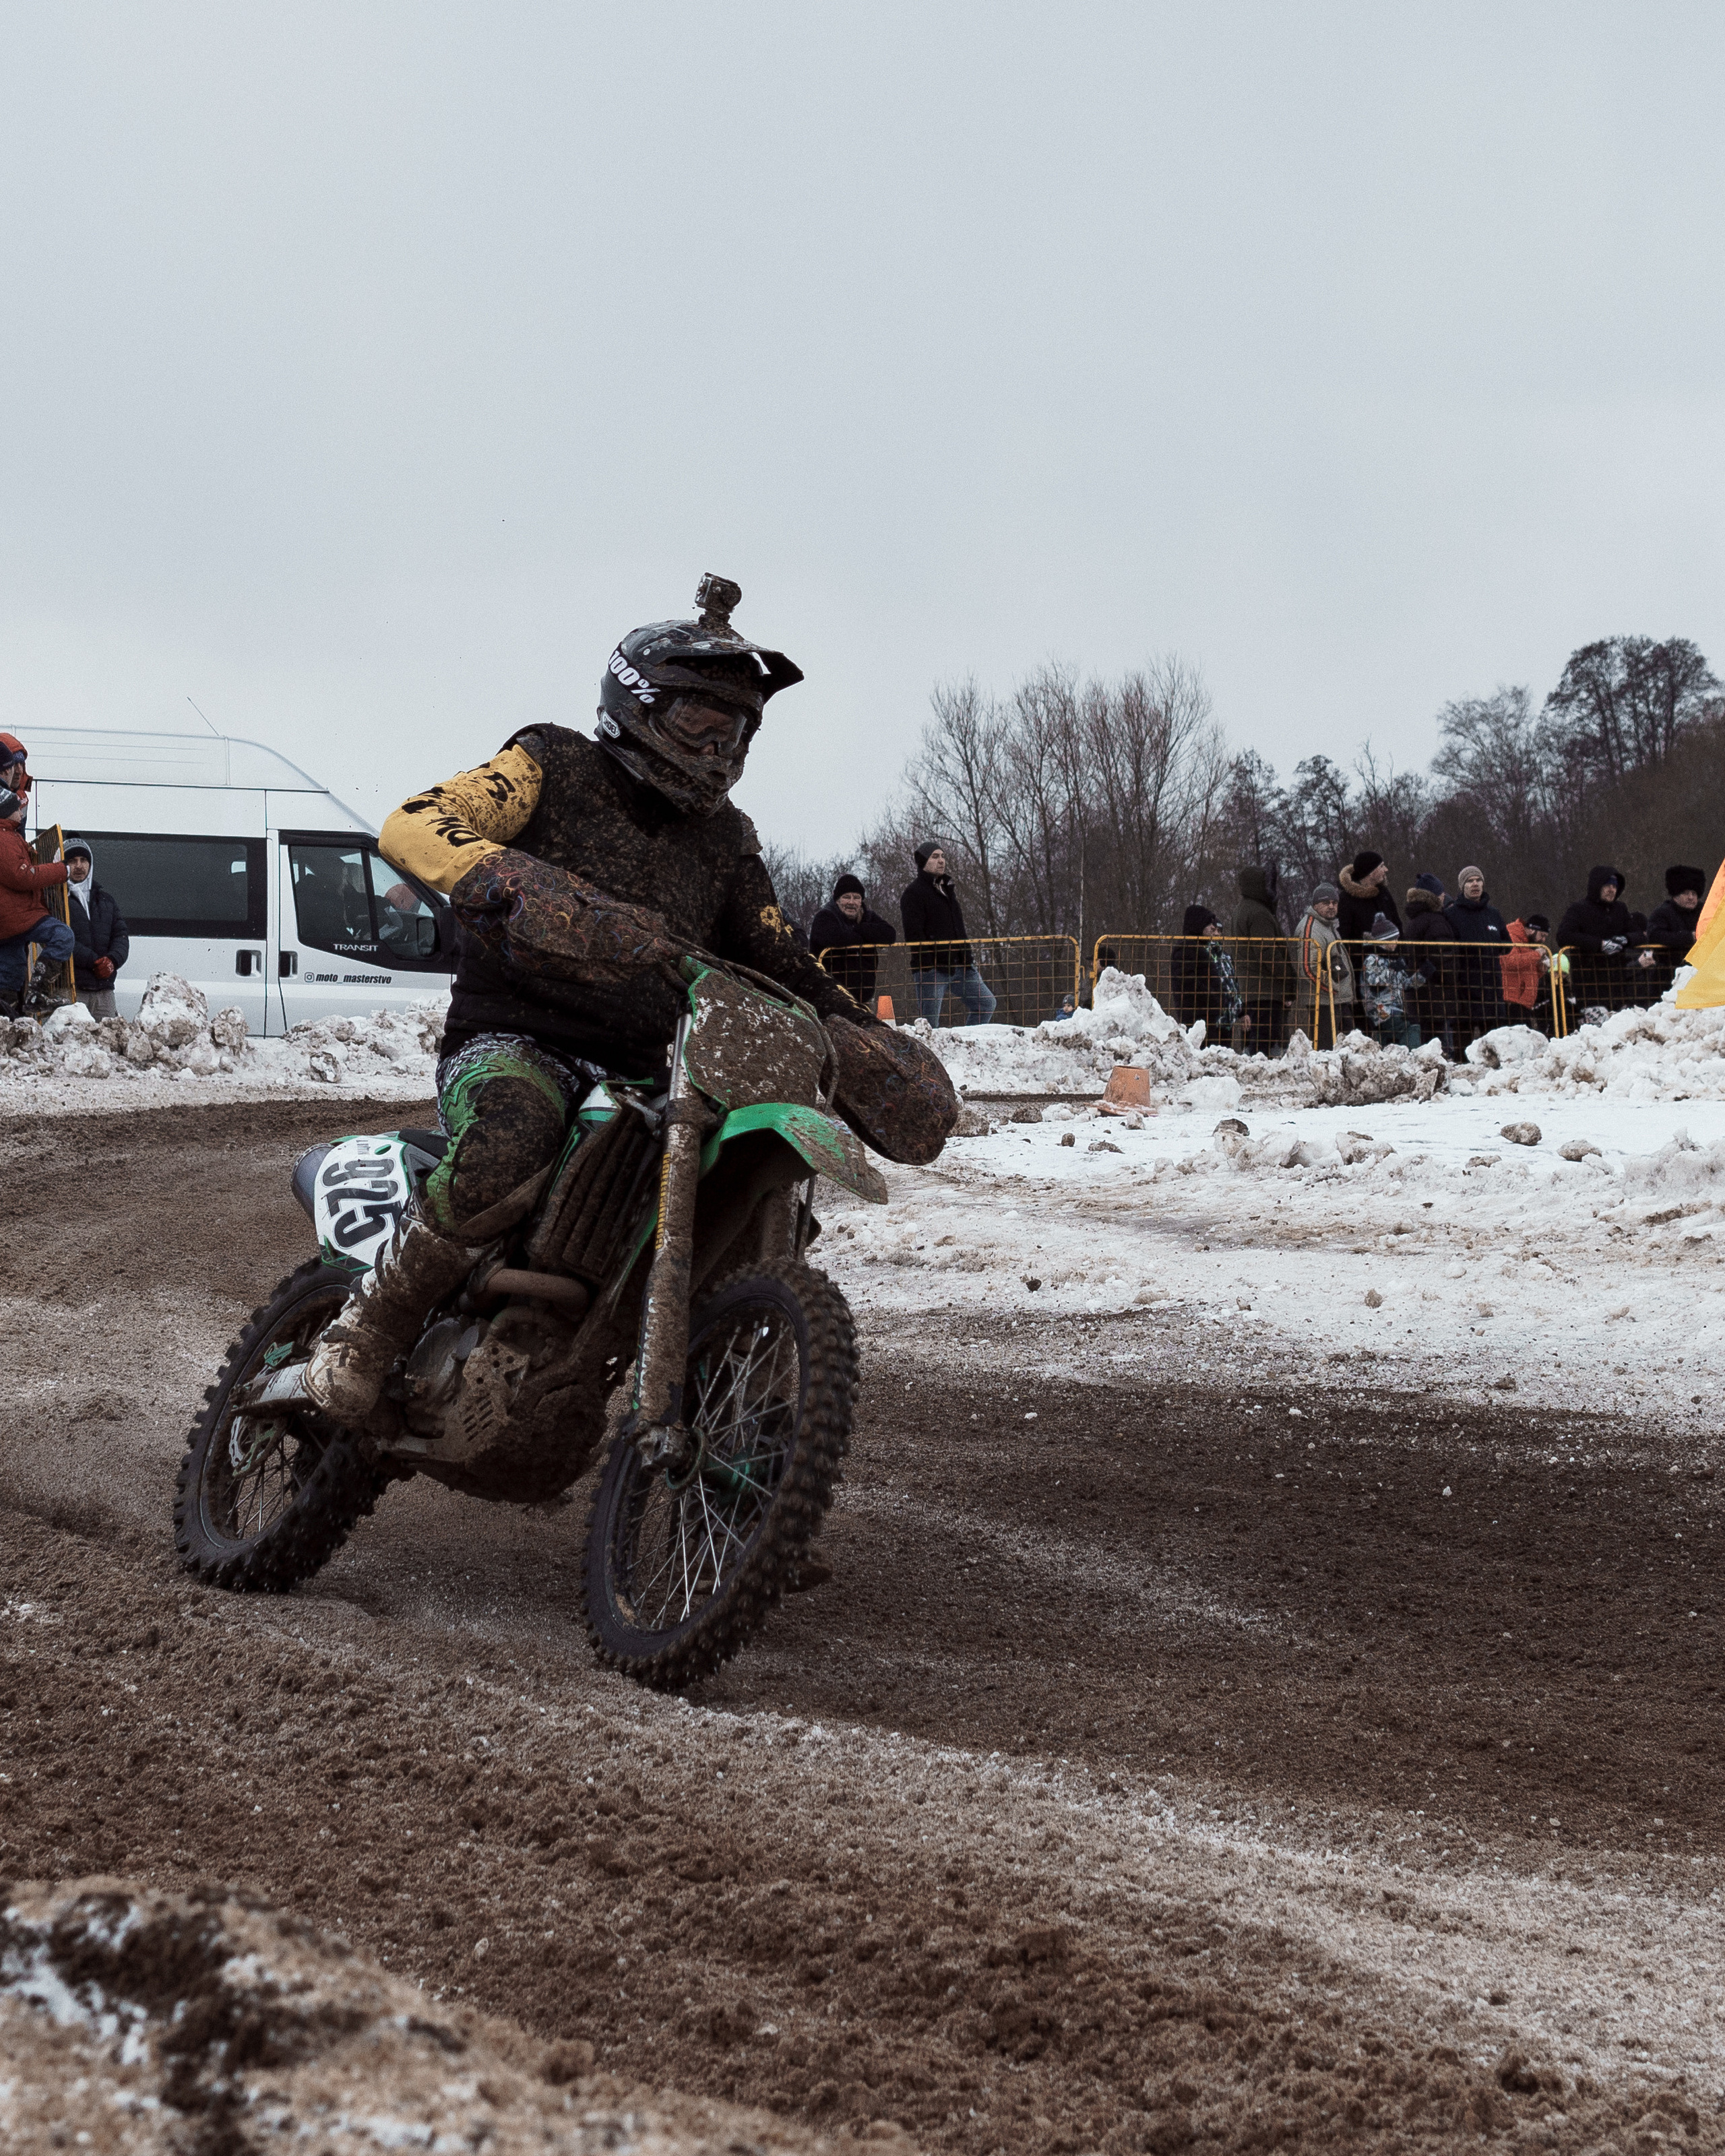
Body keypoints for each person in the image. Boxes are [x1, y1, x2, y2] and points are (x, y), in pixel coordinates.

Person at [298, 575, 954, 1421]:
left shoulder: (727, 838)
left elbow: (776, 951)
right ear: (639, 703)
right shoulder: (552, 761)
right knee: (516, 1133)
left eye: (737, 731)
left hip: (655, 1070)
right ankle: (370, 1324)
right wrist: (508, 877)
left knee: (734, 1172)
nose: (719, 748)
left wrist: (860, 1034)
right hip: (514, 1038)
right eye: (700, 722)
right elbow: (417, 821)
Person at [0, 736, 74, 1017]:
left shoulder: (9, 835)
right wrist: (60, 870)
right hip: (16, 915)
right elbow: (22, 877)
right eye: (19, 808)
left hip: (6, 922)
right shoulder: (5, 837)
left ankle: (8, 1021)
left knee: (9, 974)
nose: (23, 809)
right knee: (61, 936)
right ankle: (37, 995)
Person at [900, 843, 996, 1027]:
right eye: (935, 857)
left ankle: (969, 1044)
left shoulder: (947, 890)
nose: (941, 860)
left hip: (962, 966)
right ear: (923, 862)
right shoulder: (913, 894)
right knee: (929, 1025)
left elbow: (959, 929)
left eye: (943, 856)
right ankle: (928, 1055)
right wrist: (927, 965)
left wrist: (967, 957)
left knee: (986, 1003)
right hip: (933, 969)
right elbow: (914, 934)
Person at [1556, 866, 1657, 1013]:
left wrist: (1625, 940)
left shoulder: (1620, 909)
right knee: (1596, 1033)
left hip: (1619, 986)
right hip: (1589, 985)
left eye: (1615, 886)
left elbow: (1641, 934)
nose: (1612, 890)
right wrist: (1600, 944)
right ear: (1597, 886)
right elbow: (1563, 936)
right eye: (1607, 885)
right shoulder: (1578, 909)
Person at [1229, 864, 1294, 1055]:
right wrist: (1289, 981)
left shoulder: (1242, 910)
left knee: (1254, 1049)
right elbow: (1268, 953)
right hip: (1266, 993)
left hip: (1253, 992)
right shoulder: (1258, 913)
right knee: (1266, 1051)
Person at [1443, 865, 1509, 1049]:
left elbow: (1508, 943)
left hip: (1492, 986)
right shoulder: (1451, 914)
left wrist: (1497, 948)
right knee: (1462, 1044)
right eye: (1470, 881)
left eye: (1478, 880)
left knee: (1495, 1042)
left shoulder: (1493, 914)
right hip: (1464, 987)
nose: (1475, 884)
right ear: (1462, 886)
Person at [63, 838, 130, 1017]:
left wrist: (113, 961)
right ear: (63, 865)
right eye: (72, 861)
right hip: (71, 992)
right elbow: (61, 940)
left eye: (84, 860)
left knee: (107, 1043)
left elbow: (121, 936)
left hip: (104, 994)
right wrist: (95, 962)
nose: (79, 866)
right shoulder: (57, 900)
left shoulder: (106, 900)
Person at [809, 873, 896, 1007]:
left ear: (861, 901)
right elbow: (837, 938)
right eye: (846, 897)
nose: (851, 902)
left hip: (864, 998)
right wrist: (864, 934)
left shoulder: (868, 916)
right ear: (837, 899)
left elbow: (890, 935)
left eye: (856, 898)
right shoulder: (825, 917)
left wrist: (862, 929)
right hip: (830, 997)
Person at [1168, 904, 1245, 1042]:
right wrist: (1215, 998)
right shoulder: (1186, 949)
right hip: (1199, 1019)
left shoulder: (1202, 950)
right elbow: (1189, 984)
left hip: (1214, 1017)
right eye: (1209, 925)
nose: (1213, 929)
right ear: (1198, 925)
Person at [1401, 873, 1458, 1056]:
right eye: (1441, 894)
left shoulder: (1413, 922)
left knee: (1424, 1047)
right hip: (1438, 997)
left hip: (1418, 997)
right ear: (1435, 896)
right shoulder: (1437, 922)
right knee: (1441, 1050)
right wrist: (1449, 980)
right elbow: (1443, 959)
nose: (1444, 897)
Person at [1293, 883, 1354, 1048]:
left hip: (1338, 1000)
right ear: (1315, 905)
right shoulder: (1311, 928)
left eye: (1334, 903)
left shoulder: (1328, 926)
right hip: (1324, 1003)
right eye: (1326, 903)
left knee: (1348, 1047)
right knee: (1326, 1049)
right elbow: (1308, 967)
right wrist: (1333, 988)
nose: (1331, 907)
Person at [1642, 866, 1707, 995]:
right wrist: (1689, 937)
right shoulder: (1662, 912)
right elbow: (1655, 935)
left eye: (1694, 894)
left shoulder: (1704, 911)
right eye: (1686, 893)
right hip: (1667, 977)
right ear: (1675, 895)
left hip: (1699, 974)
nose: (1691, 897)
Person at [1359, 913, 1420, 1048]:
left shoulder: (1392, 959)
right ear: (1384, 941)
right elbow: (1374, 982)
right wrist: (1393, 969)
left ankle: (1384, 1051)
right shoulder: (1372, 959)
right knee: (1411, 1024)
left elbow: (1406, 984)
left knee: (1393, 1031)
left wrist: (1423, 975)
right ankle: (1410, 1056)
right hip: (1376, 1009)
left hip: (1394, 1008)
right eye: (1394, 939)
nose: (1397, 943)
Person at [1336, 850, 1400, 960]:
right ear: (1371, 872)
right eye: (1382, 866)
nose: (1386, 870)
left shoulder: (1384, 893)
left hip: (1394, 964)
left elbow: (1398, 924)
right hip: (1364, 968)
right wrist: (1373, 952)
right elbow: (1344, 939)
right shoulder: (1346, 900)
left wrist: (1402, 955)